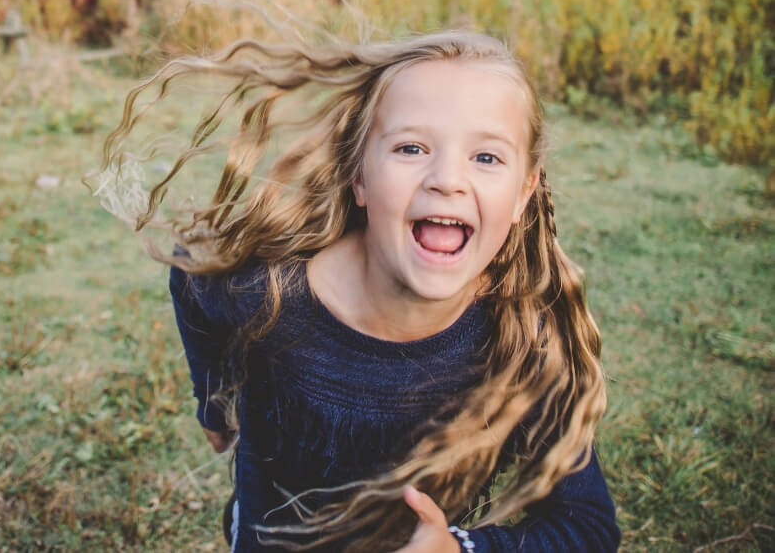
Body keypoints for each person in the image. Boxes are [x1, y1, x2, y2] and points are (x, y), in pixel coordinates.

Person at [94, 29, 620, 552]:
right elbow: (191, 275)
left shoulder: (523, 341)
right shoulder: (271, 293)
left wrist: (458, 549)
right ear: (360, 177)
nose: (447, 179)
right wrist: (213, 399)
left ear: (524, 193)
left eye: (486, 158)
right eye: (412, 147)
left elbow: (587, 526)